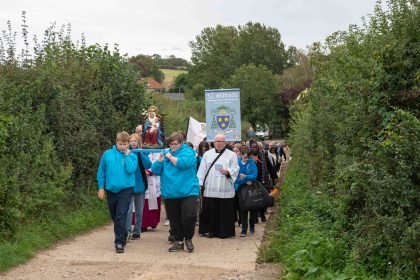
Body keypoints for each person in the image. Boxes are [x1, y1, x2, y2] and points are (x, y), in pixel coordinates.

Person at [152, 132, 200, 252]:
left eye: (175, 144)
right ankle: (178, 241)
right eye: (171, 144)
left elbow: (182, 164)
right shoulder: (166, 154)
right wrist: (160, 160)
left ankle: (188, 238)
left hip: (188, 191)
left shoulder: (189, 152)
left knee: (189, 216)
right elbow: (155, 171)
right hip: (170, 192)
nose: (172, 146)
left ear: (181, 143)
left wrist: (169, 156)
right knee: (174, 219)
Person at [97, 131, 138, 253]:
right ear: (116, 142)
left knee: (121, 215)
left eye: (125, 144)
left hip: (126, 189)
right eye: (120, 144)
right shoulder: (107, 154)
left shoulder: (132, 156)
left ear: (128, 144)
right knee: (115, 217)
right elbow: (101, 172)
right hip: (111, 190)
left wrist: (127, 156)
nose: (122, 146)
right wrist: (101, 187)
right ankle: (124, 233)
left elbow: (131, 170)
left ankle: (119, 242)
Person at [197, 134, 239, 238]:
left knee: (224, 211)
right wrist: (199, 183)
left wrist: (228, 171)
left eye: (221, 141)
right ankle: (208, 230)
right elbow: (202, 170)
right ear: (213, 142)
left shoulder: (232, 155)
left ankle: (224, 232)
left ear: (225, 142)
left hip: (225, 186)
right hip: (210, 186)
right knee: (209, 210)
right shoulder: (207, 154)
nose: (219, 143)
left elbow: (236, 168)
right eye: (217, 141)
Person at [125, 134, 152, 240]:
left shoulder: (142, 153)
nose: (133, 143)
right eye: (131, 141)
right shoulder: (126, 153)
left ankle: (137, 231)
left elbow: (148, 165)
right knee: (128, 210)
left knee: (139, 211)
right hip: (128, 185)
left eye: (135, 141)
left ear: (138, 142)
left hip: (140, 185)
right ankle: (127, 232)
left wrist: (141, 154)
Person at [250, 141, 278, 223]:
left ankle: (262, 214)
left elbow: (270, 167)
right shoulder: (248, 157)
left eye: (255, 147)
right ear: (250, 148)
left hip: (263, 180)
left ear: (258, 148)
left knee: (263, 199)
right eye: (252, 147)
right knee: (254, 200)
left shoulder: (263, 156)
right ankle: (255, 216)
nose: (254, 149)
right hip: (253, 181)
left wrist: (274, 177)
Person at [234, 146, 258, 237]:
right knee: (242, 209)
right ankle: (244, 229)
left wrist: (246, 177)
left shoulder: (251, 162)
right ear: (240, 153)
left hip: (251, 188)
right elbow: (235, 176)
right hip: (240, 188)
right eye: (244, 155)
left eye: (247, 156)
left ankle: (252, 226)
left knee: (252, 208)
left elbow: (254, 175)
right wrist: (244, 179)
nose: (245, 157)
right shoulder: (237, 162)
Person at [141, 152, 161, 231]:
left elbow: (158, 164)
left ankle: (153, 222)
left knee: (154, 202)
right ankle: (143, 224)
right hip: (143, 180)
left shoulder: (159, 153)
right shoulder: (140, 152)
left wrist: (151, 171)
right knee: (143, 203)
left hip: (154, 180)